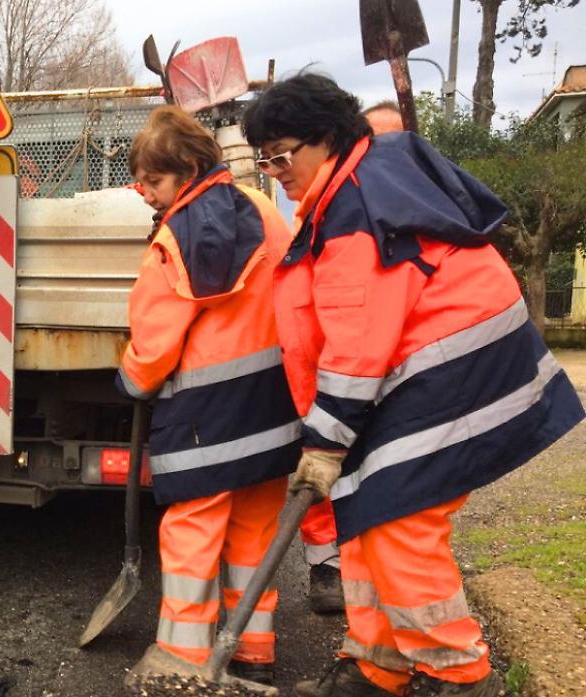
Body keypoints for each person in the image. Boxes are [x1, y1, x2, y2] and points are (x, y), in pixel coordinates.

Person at [243, 73, 584, 697]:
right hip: (425, 369)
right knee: (367, 514)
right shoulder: (354, 187)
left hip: (454, 372)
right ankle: (379, 665)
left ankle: (460, 675)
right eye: (264, 158)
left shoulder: (356, 207)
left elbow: (356, 341)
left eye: (281, 154)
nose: (273, 169)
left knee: (399, 521)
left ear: (326, 139)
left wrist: (324, 443)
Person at [118, 106, 301, 688]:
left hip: (202, 420)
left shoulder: (173, 240)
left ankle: (186, 660)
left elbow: (153, 343)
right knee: (254, 533)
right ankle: (254, 650)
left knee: (192, 536)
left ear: (190, 168)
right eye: (140, 180)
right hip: (273, 408)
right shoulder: (267, 211)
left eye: (154, 181)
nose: (144, 193)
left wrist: (131, 379)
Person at [299, 97, 409, 617]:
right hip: (336, 383)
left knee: (389, 523)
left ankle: (420, 660)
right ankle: (330, 573)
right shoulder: (333, 212)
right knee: (331, 490)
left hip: (385, 391)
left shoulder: (389, 214)